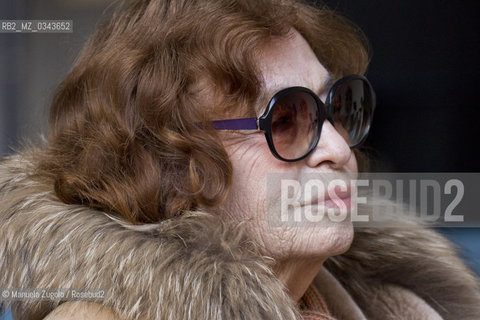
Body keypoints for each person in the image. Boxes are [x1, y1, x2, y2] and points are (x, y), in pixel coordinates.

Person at [1, 0, 479, 319]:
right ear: (171, 166)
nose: (337, 149)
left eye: (335, 106)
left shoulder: (402, 304)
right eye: (284, 120)